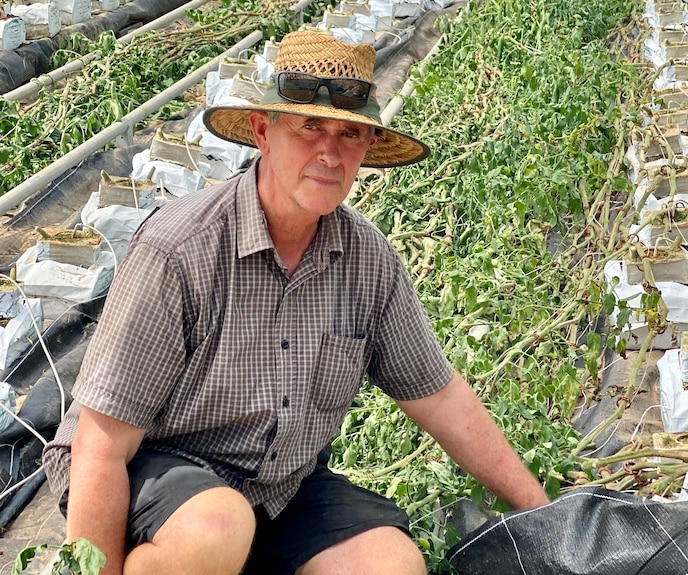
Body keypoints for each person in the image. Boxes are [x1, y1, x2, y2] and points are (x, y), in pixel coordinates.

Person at [42, 29, 549, 575]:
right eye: (310, 127)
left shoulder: (366, 259)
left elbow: (440, 397)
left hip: (279, 486)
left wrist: (542, 513)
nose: (330, 153)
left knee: (391, 565)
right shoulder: (180, 250)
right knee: (215, 528)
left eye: (350, 133)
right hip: (157, 468)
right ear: (264, 131)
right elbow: (101, 445)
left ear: (368, 147)